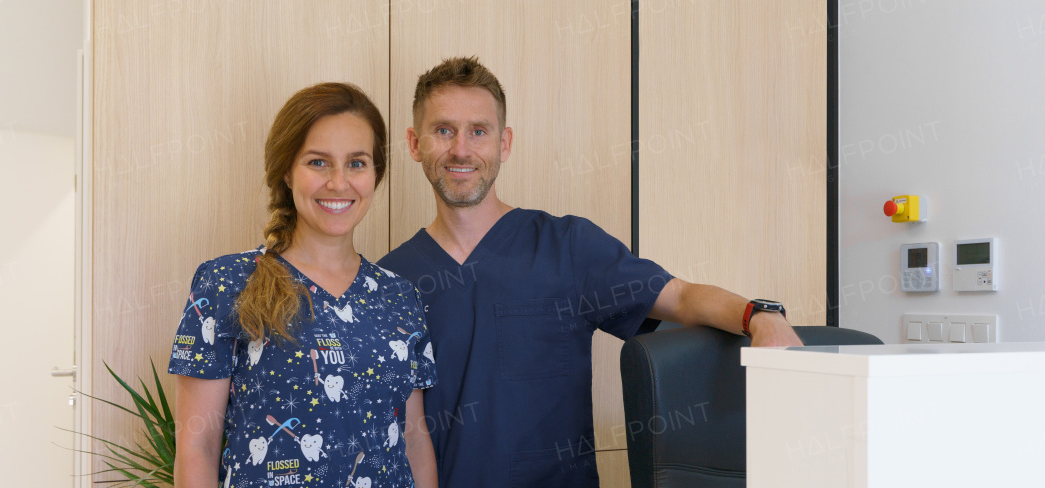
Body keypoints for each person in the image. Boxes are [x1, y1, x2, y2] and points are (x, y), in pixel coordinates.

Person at [377, 57, 804, 487]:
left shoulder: (568, 248)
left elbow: (680, 297)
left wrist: (761, 315)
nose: (462, 149)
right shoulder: (388, 282)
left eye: (479, 131)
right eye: (443, 130)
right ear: (415, 144)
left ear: (504, 143)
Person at [170, 83, 439, 488]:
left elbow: (415, 442)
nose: (338, 182)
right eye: (317, 162)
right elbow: (197, 447)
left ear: (375, 174)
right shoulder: (226, 283)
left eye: (357, 163)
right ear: (285, 170)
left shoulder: (400, 297)